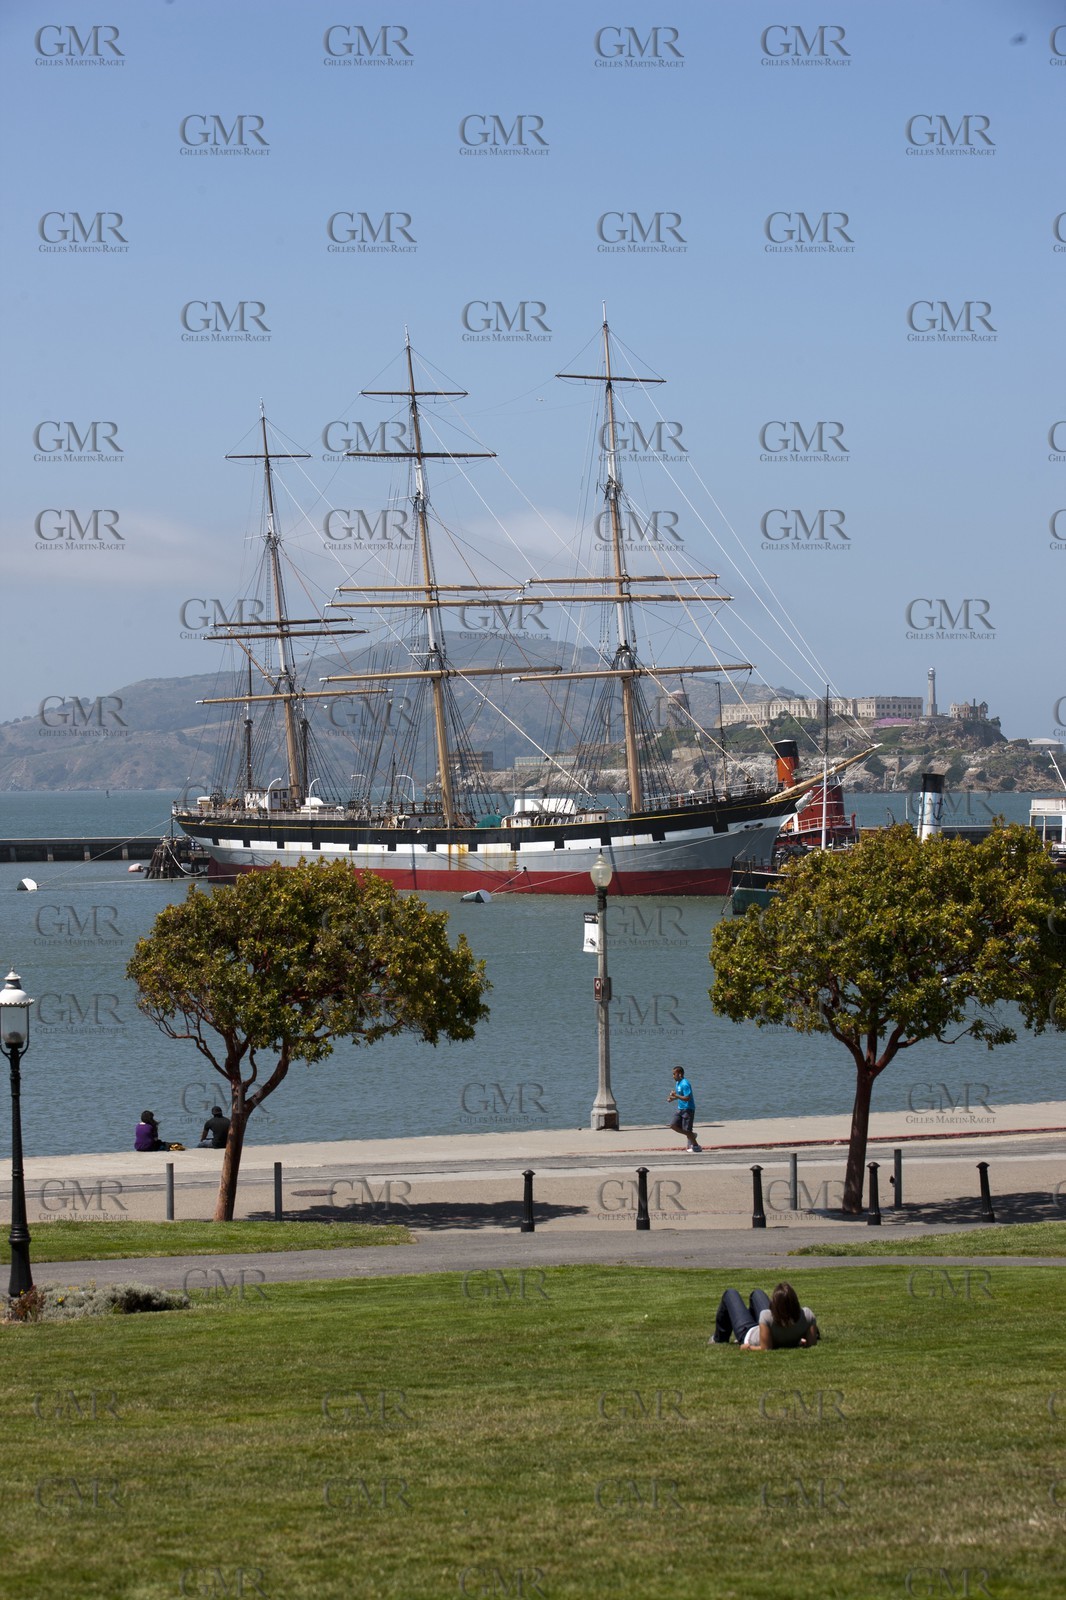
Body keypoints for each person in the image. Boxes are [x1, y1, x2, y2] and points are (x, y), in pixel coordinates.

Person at [710, 1281, 820, 1349]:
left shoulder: (767, 1316)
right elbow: (811, 1343)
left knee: (730, 1293)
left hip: (749, 1333)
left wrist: (748, 1348)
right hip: (766, 1328)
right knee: (757, 1293)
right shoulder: (807, 1315)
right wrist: (796, 1341)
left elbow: (765, 1348)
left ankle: (719, 1338)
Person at [667, 1065, 701, 1153]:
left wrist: (675, 1095)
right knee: (673, 1125)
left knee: (687, 1130)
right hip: (680, 1109)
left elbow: (687, 1098)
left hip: (688, 1109)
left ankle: (696, 1146)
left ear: (679, 1074)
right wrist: (673, 1098)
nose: (673, 1076)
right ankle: (692, 1135)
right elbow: (680, 1096)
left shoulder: (685, 1084)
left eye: (674, 1074)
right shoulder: (678, 1083)